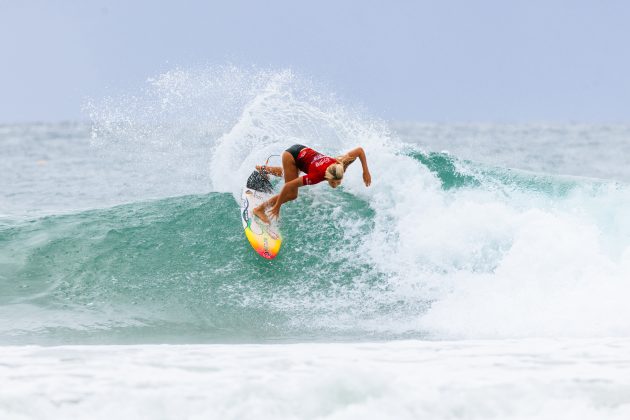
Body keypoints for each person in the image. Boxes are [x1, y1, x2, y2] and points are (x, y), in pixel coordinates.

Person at [253, 144, 371, 224]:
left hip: (302, 151)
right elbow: (288, 186)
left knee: (291, 173)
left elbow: (359, 150)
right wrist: (277, 206)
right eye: (333, 182)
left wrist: (365, 171)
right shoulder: (316, 177)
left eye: (338, 181)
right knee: (292, 194)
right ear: (327, 177)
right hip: (292, 156)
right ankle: (259, 209)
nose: (336, 185)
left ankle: (264, 169)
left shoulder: (341, 165)